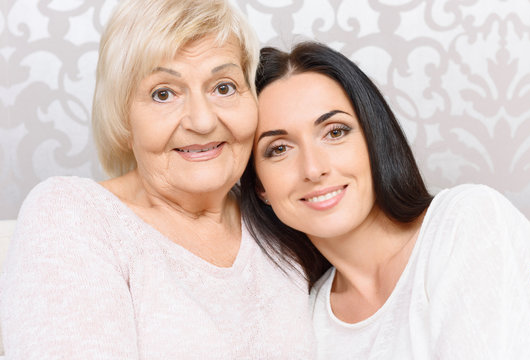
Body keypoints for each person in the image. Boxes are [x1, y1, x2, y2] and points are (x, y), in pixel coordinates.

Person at [0, 1, 315, 358]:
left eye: (223, 87)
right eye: (163, 93)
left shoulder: (283, 221)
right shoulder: (71, 216)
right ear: (123, 119)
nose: (202, 121)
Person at [240, 42, 530, 358]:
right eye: (279, 149)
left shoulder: (465, 221)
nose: (313, 169)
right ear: (261, 187)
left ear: (373, 139)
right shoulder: (303, 326)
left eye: (335, 132)